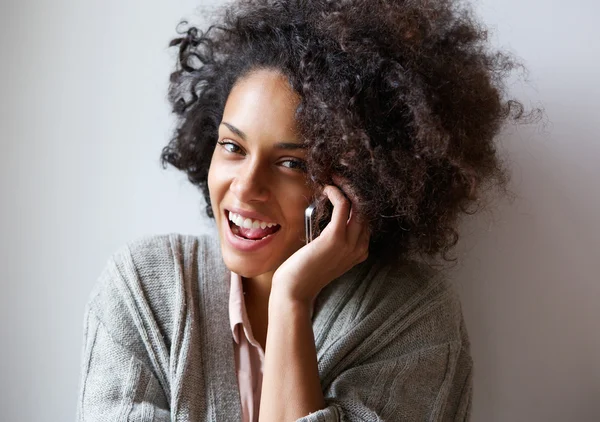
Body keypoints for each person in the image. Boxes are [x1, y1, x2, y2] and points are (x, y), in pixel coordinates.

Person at [76, 0, 535, 420]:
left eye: (292, 163)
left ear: (360, 181)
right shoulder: (143, 292)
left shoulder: (412, 317)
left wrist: (290, 301)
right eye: (232, 146)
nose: (247, 187)